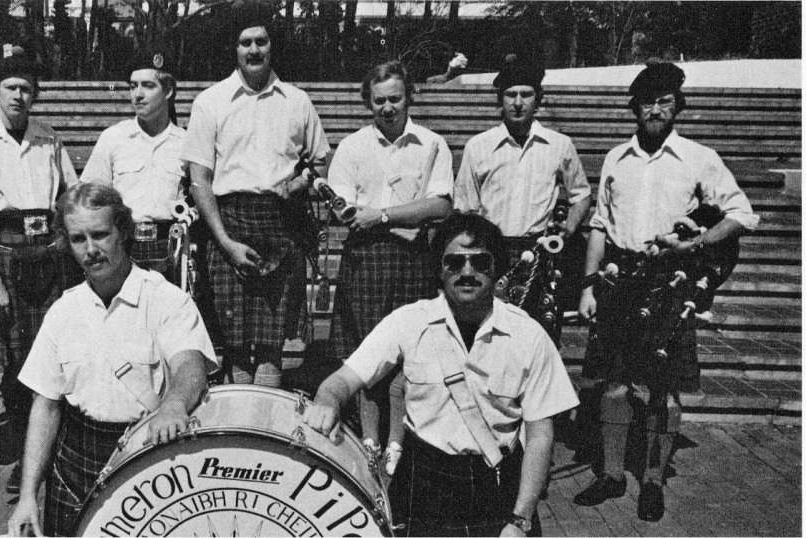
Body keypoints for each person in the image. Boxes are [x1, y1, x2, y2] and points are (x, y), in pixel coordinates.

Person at [304, 213, 579, 537]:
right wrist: (327, 399)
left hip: (496, 488)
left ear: (498, 270)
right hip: (421, 486)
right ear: (439, 269)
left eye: (479, 261)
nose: (467, 271)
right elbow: (342, 381)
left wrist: (520, 519)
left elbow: (539, 436)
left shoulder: (529, 336)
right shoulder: (408, 322)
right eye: (454, 262)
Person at [573, 62, 759, 521]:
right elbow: (599, 225)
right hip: (620, 278)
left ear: (677, 107)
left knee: (663, 389)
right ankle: (613, 474)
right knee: (613, 384)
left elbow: (741, 214)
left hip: (670, 281)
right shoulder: (617, 158)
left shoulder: (700, 158)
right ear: (634, 108)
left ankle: (652, 482)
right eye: (646, 102)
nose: (655, 110)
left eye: (665, 102)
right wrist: (588, 285)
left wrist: (696, 243)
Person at [5, 183, 217, 536]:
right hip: (75, 461)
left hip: (149, 455)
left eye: (101, 234)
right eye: (78, 239)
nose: (91, 250)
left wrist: (174, 404)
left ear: (124, 231)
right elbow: (45, 407)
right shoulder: (62, 312)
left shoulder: (166, 299)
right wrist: (28, 495)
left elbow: (190, 367)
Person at [181, 2, 329, 387]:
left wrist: (298, 183)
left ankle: (266, 434)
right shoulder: (210, 102)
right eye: (245, 42)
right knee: (234, 348)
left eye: (261, 41)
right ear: (234, 49)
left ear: (271, 45)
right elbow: (199, 178)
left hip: (282, 225)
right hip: (227, 223)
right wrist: (225, 242)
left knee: (271, 351)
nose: (253, 50)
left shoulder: (297, 101)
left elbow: (319, 163)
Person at [0, 55, 79, 495]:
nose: (18, 96)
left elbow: (68, 196)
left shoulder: (48, 137)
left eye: (26, 88)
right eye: (11, 87)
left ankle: (55, 449)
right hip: (5, 252)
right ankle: (25, 454)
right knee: (17, 362)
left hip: (49, 251)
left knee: (57, 353)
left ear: (35, 93)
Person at [326, 59, 452, 472]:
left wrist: (381, 215)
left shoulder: (432, 143)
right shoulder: (352, 146)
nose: (387, 108)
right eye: (379, 101)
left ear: (409, 97)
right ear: (369, 103)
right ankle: (368, 444)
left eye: (395, 98)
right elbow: (344, 209)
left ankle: (397, 448)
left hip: (415, 261)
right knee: (365, 353)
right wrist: (400, 217)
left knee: (406, 355)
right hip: (366, 260)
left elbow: (439, 205)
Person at [455, 56, 590, 340]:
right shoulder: (478, 146)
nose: (518, 102)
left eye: (526, 94)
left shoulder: (559, 145)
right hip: (491, 252)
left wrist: (566, 231)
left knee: (537, 337)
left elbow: (581, 195)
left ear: (537, 100)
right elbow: (465, 208)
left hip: (540, 253)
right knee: (488, 336)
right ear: (500, 101)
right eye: (510, 94)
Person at [80, 52, 188, 276]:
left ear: (168, 91)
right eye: (133, 86)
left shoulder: (186, 143)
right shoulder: (114, 138)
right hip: (123, 246)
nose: (137, 94)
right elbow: (89, 197)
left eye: (148, 86)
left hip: (170, 246)